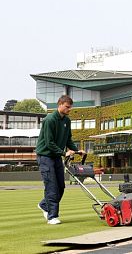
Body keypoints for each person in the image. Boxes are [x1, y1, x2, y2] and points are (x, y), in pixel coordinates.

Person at [36, 95, 85, 225]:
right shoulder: (49, 120)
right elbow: (49, 143)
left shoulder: (67, 121)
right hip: (45, 156)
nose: (69, 110)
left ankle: (43, 205)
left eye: (70, 107)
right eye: (67, 107)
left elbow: (68, 140)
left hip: (56, 157)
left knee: (61, 187)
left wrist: (77, 150)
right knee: (51, 186)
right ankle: (52, 217)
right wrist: (64, 153)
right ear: (60, 104)